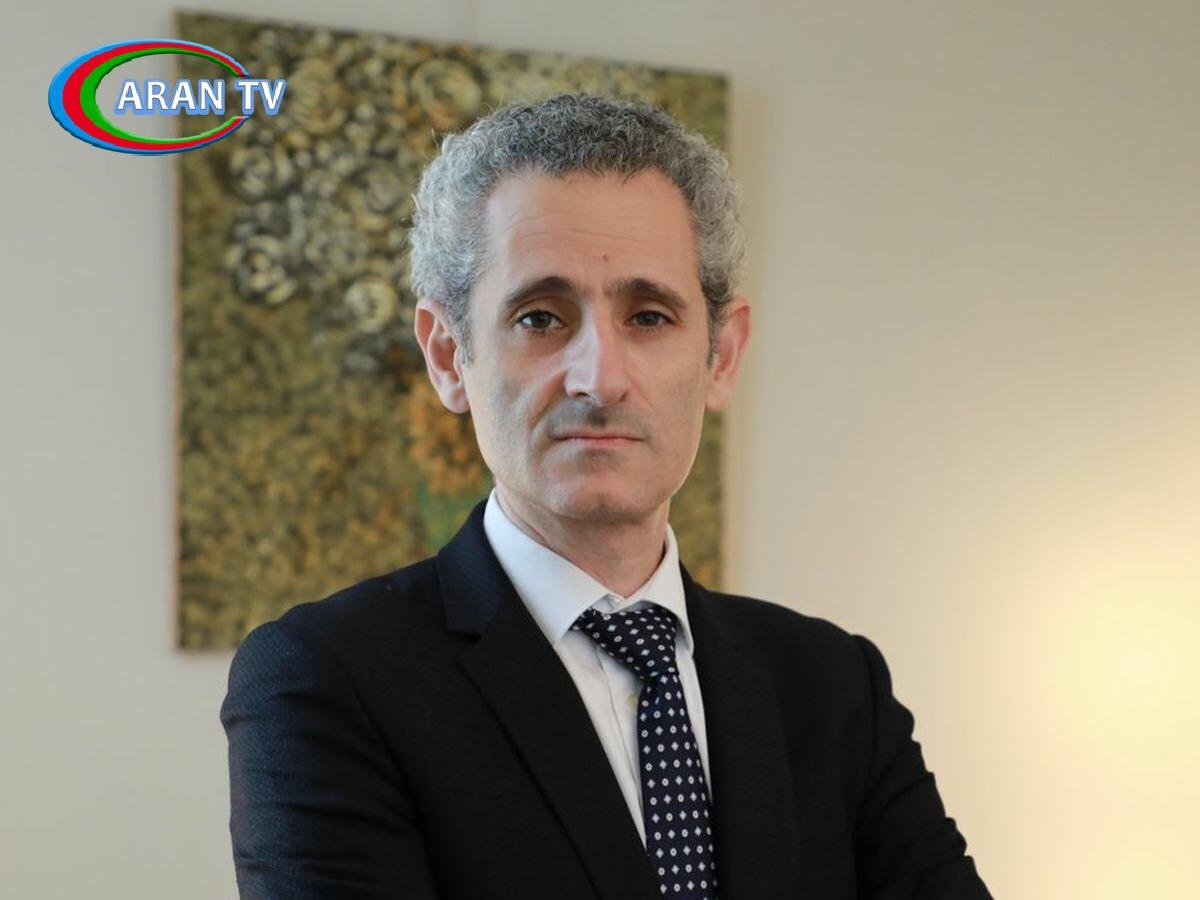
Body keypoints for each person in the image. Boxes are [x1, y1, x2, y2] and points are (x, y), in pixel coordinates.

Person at [221, 93, 992, 899]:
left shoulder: (833, 685)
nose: (600, 378)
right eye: (541, 318)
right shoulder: (326, 679)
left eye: (649, 317)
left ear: (722, 357)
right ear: (448, 356)